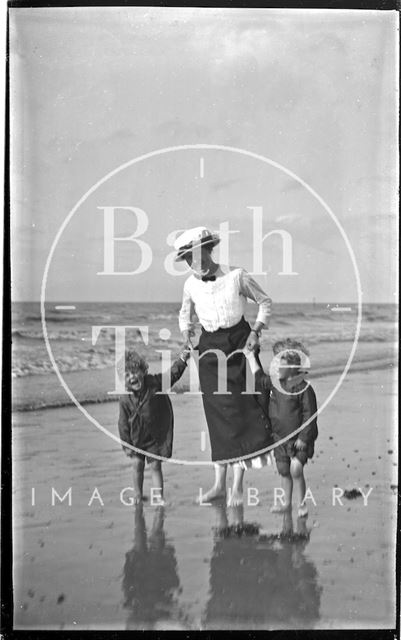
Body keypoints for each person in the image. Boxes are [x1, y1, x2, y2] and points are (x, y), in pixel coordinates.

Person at [175, 226, 273, 507]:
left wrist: (256, 332)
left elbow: (265, 302)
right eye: (189, 260)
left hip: (239, 346)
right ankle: (219, 485)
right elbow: (184, 315)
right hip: (208, 353)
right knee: (217, 419)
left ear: (209, 249)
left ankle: (237, 488)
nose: (196, 263)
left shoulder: (236, 275)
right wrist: (185, 334)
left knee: (241, 415)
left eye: (199, 255)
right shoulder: (190, 285)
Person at [246, 338, 318, 517]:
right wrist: (251, 356)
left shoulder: (304, 388)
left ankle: (301, 505)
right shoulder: (276, 383)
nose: (275, 366)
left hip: (299, 440)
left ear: (293, 366)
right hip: (279, 439)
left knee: (296, 469)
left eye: (280, 362)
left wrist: (303, 438)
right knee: (284, 471)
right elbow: (260, 378)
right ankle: (286, 503)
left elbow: (310, 416)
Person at [118, 347, 190, 504]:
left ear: (143, 371)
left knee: (155, 466)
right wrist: (126, 444)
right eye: (127, 375)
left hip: (154, 438)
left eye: (135, 372)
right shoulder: (125, 398)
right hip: (136, 439)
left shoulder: (154, 383)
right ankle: (137, 494)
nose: (132, 377)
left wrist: (183, 360)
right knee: (137, 465)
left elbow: (171, 375)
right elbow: (122, 423)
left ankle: (158, 496)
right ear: (123, 380)